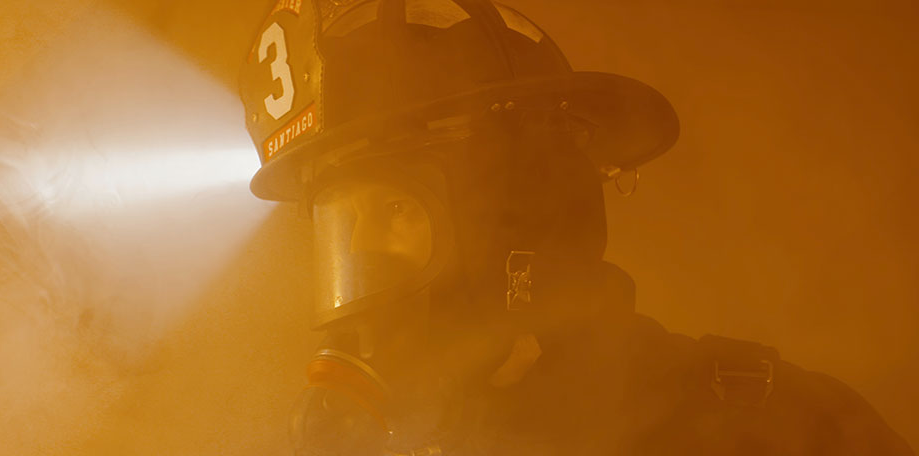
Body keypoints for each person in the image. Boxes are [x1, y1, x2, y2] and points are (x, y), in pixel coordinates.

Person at [237, 0, 914, 454]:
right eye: (341, 223)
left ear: (522, 218)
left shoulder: (780, 432)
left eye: (394, 209)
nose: (360, 253)